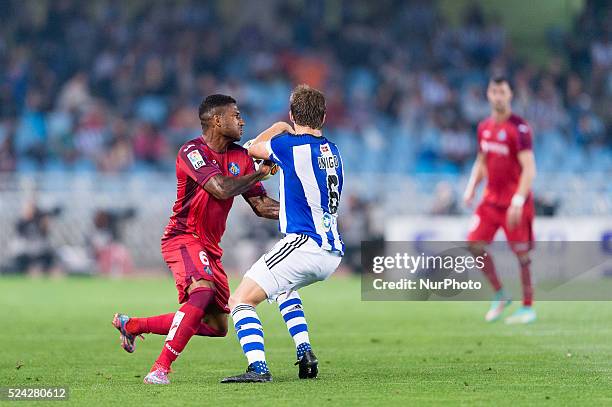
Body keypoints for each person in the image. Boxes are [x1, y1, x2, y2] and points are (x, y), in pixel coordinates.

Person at [111, 94, 279, 384]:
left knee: (216, 326)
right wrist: (259, 174)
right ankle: (160, 368)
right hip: (183, 236)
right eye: (236, 115)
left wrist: (303, 213)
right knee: (200, 293)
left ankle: (133, 325)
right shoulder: (192, 151)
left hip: (210, 248)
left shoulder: (241, 157)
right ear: (217, 120)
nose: (242, 121)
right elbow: (220, 188)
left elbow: (262, 206)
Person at [221, 84, 344, 383]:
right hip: (331, 251)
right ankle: (305, 352)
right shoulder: (333, 150)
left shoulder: (289, 145)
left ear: (292, 114)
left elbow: (251, 147)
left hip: (304, 244)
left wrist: (278, 126)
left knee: (239, 301)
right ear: (324, 117)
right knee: (284, 288)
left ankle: (258, 368)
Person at [463, 76, 537, 324]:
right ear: (488, 94)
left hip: (515, 203)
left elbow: (529, 168)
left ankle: (528, 307)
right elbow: (482, 160)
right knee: (474, 244)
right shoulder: (483, 127)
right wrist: (472, 186)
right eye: (494, 91)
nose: (498, 96)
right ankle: (500, 294)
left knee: (521, 254)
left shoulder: (520, 128)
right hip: (491, 201)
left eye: (502, 91)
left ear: (510, 95)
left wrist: (518, 200)